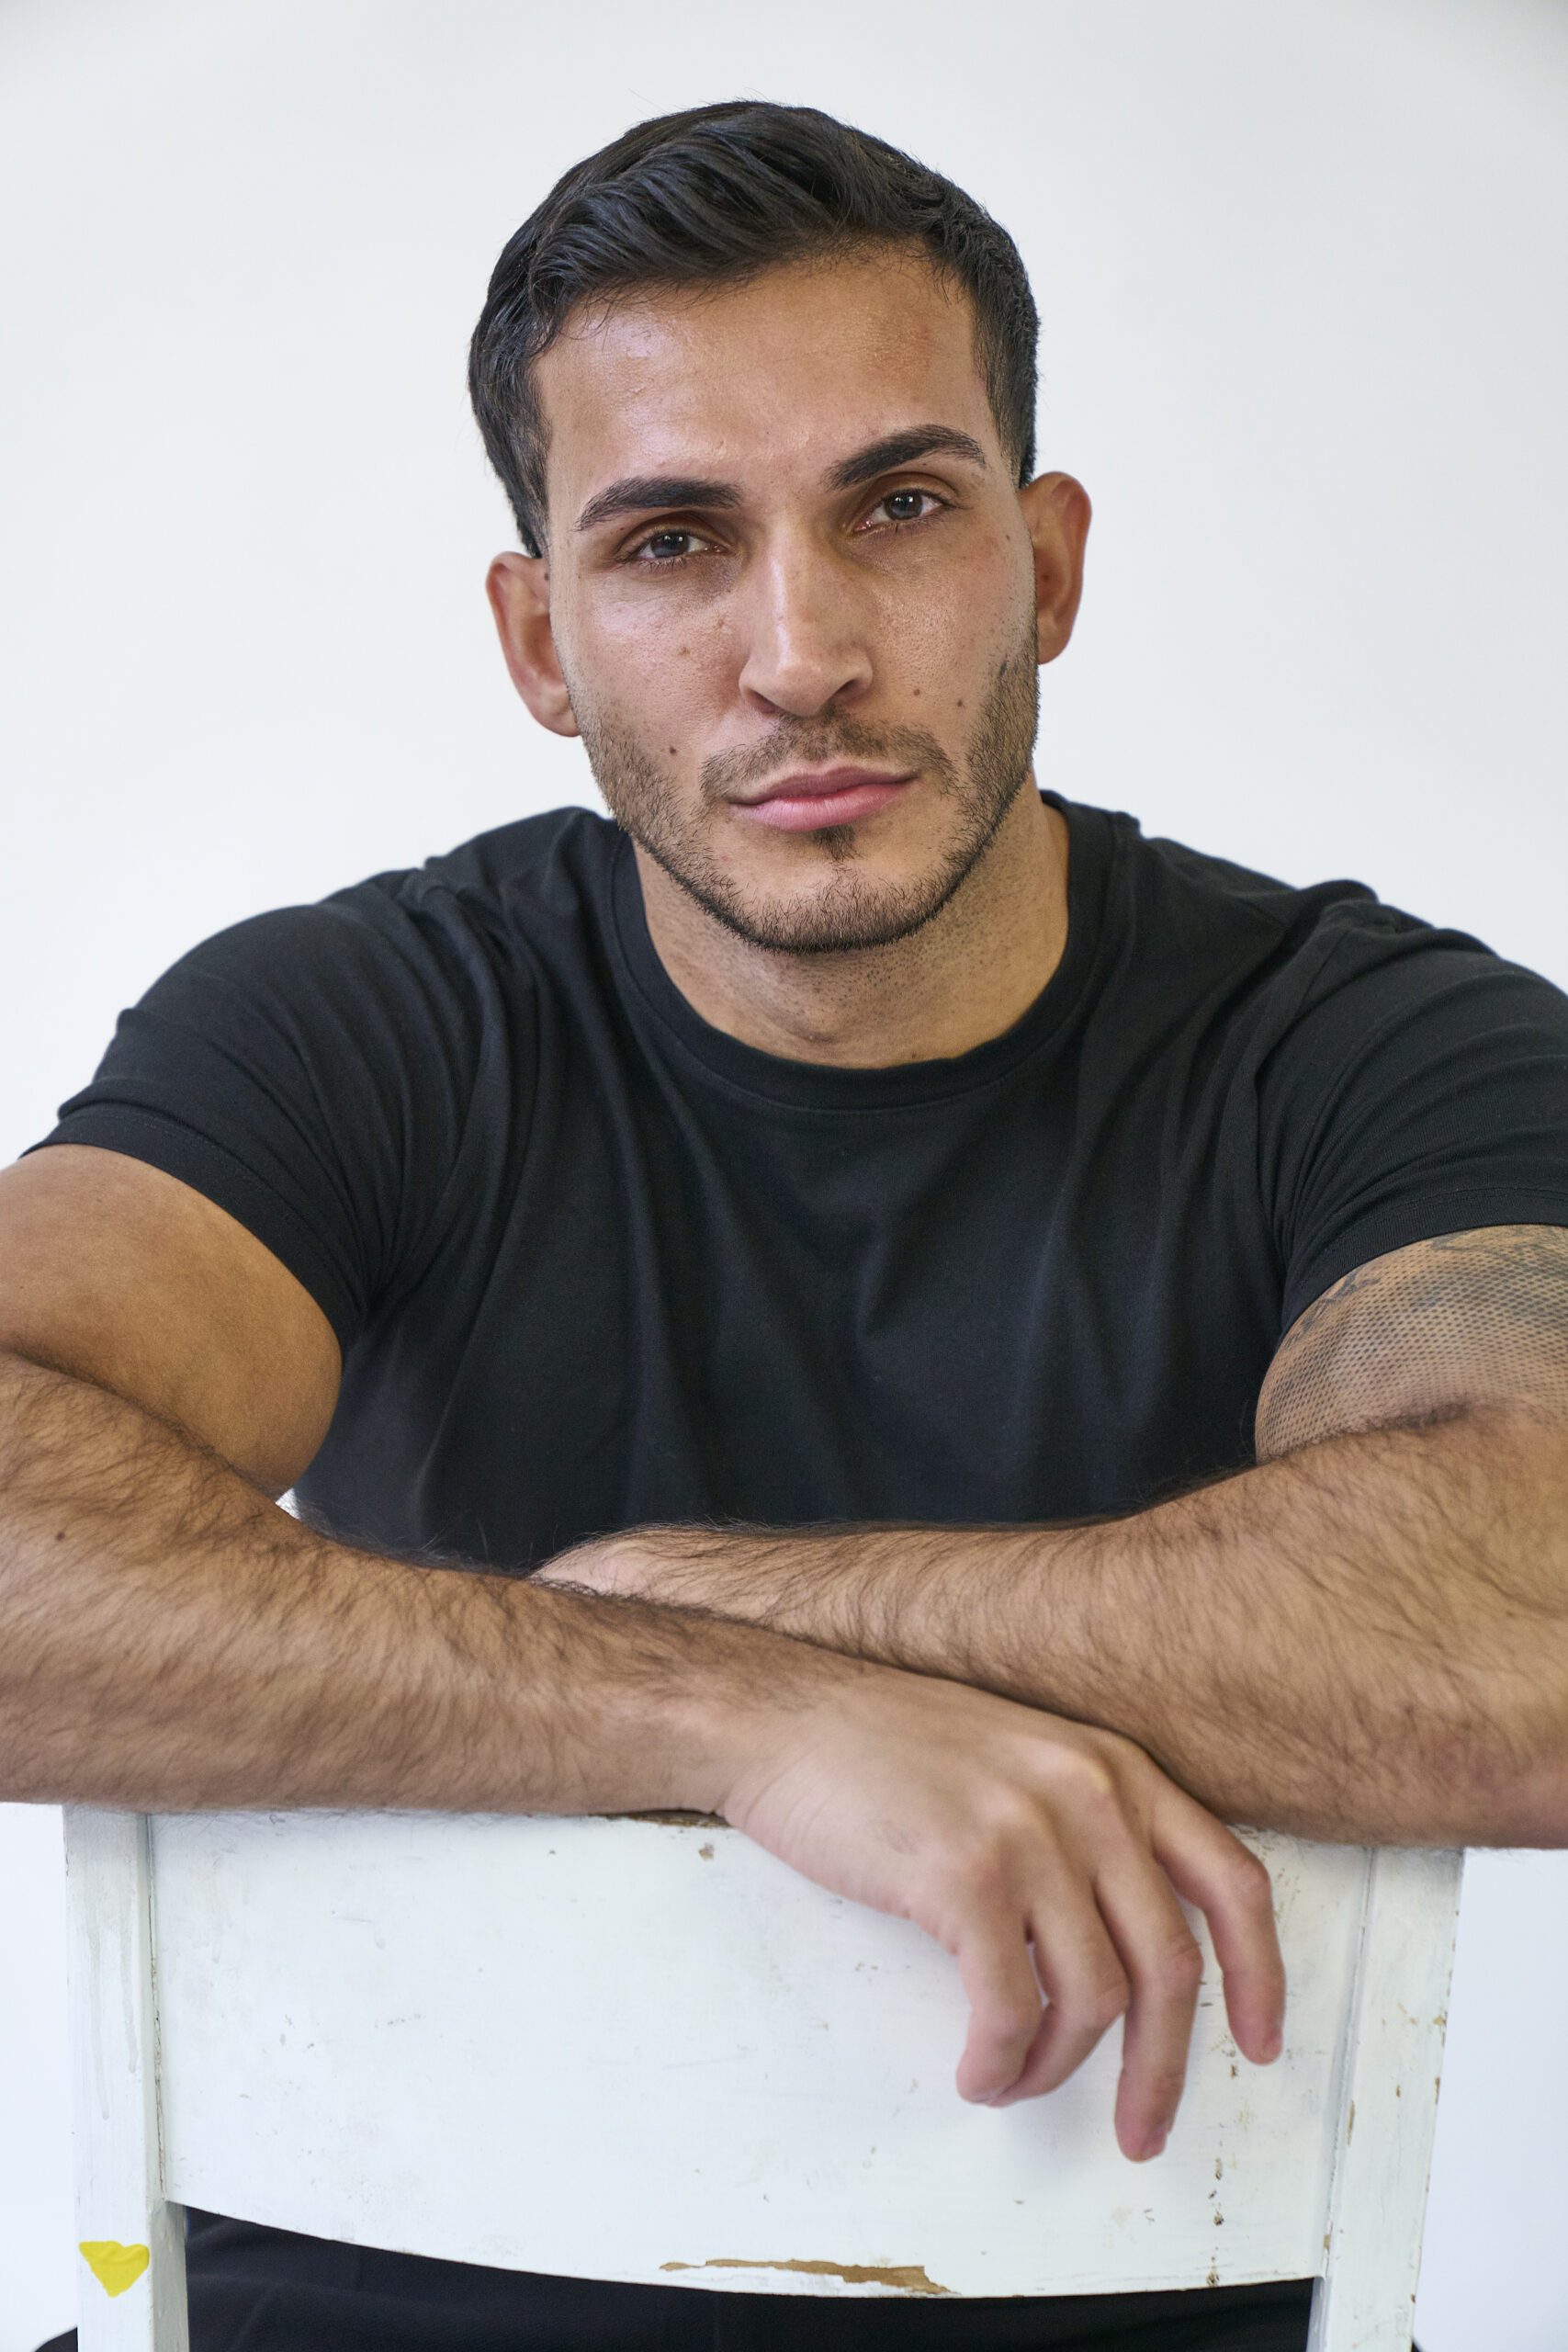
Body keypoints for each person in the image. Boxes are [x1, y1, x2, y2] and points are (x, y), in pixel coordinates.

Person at [9, 98, 1568, 2352]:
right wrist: (717, 1705)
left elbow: (1534, 1602)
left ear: (1044, 563)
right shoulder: (362, 1025)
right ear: (540, 641)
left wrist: (715, 1586)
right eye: (670, 543)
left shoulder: (1369, 1045)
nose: (800, 651)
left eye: (898, 507)